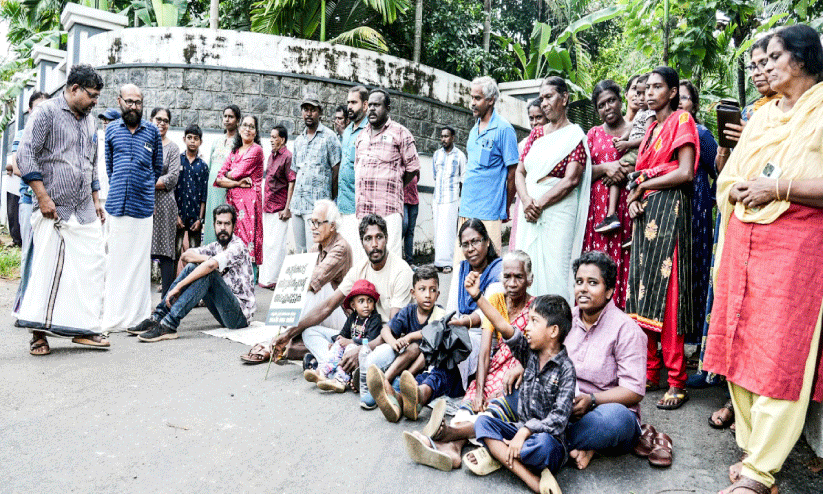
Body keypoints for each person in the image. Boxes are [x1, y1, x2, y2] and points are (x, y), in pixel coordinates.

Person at [703, 25, 823, 494]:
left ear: (803, 59)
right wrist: (739, 187)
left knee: (781, 349)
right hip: (743, 239)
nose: (766, 65)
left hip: (798, 245)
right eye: (764, 58)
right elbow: (729, 176)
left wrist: (776, 188)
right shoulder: (762, 115)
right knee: (740, 341)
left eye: (775, 56)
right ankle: (754, 453)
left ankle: (760, 471)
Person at [691, 35, 781, 426]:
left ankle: (758, 406)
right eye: (755, 66)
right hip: (737, 214)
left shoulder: (796, 113)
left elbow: (784, 163)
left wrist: (754, 140)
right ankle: (730, 391)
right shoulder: (750, 110)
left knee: (764, 316)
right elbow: (724, 168)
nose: (761, 71)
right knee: (731, 302)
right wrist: (730, 149)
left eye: (769, 62)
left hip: (778, 221)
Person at [402, 294, 574, 494]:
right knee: (483, 423)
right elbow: (502, 324)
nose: (526, 327)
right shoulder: (529, 354)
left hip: (546, 440)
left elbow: (559, 419)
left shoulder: (566, 370)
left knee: (543, 447)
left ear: (553, 331)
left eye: (534, 321)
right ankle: (525, 473)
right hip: (518, 432)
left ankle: (501, 455)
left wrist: (525, 431)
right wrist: (477, 296)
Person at [15, 64, 109, 354]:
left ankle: (83, 329)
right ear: (73, 89)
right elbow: (25, 154)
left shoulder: (91, 120)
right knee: (46, 271)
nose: (95, 101)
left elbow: (91, 161)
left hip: (84, 208)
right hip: (52, 208)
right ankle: (38, 334)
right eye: (91, 95)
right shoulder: (46, 113)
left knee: (91, 266)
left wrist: (95, 197)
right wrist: (42, 197)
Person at [625, 66, 699, 411]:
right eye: (647, 87)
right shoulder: (652, 127)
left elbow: (685, 173)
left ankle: (676, 380)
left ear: (672, 92)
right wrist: (633, 198)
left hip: (670, 213)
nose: (649, 92)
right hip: (646, 216)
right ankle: (650, 371)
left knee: (668, 298)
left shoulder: (681, 121)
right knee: (642, 294)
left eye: (658, 87)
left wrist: (644, 184)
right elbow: (636, 177)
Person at [273, 214, 412, 372]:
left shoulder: (401, 271)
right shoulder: (360, 269)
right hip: (359, 333)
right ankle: (339, 366)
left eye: (379, 237)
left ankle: (331, 366)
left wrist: (360, 348)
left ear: (386, 238)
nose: (374, 244)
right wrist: (288, 334)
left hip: (384, 341)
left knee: (383, 353)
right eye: (368, 239)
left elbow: (393, 330)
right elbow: (328, 306)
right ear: (362, 242)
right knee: (310, 332)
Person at [241, 199, 352, 364]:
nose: (312, 227)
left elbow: (312, 281)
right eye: (311, 222)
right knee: (301, 293)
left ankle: (282, 342)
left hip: (341, 313)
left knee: (312, 289)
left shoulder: (340, 247)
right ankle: (285, 342)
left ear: (332, 226)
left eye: (317, 223)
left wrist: (290, 282)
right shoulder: (316, 248)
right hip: (322, 313)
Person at [565, 251, 647, 470]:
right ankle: (582, 446)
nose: (583, 289)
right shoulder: (565, 319)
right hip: (566, 406)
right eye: (579, 282)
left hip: (605, 410)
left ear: (609, 291)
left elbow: (634, 390)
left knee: (615, 420)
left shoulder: (626, 329)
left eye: (592, 283)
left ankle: (548, 442)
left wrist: (592, 400)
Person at [514, 76, 591, 302]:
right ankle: (530, 322)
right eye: (542, 98)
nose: (544, 103)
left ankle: (558, 326)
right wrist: (527, 200)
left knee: (557, 268)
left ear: (565, 98)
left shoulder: (575, 136)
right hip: (529, 211)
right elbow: (520, 171)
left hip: (558, 212)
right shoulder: (537, 134)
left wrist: (539, 203)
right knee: (527, 266)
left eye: (549, 97)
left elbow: (571, 179)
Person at [130, 204, 255, 342]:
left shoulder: (238, 246)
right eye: (219, 223)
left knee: (209, 272)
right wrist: (207, 259)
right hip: (223, 312)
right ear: (214, 225)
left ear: (234, 226)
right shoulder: (215, 247)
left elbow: (211, 266)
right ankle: (157, 318)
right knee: (192, 266)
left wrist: (179, 286)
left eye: (227, 224)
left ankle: (169, 325)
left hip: (239, 317)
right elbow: (186, 256)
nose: (222, 228)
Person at [103, 83, 163, 331]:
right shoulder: (111, 132)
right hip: (116, 205)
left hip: (142, 207)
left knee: (139, 265)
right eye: (129, 101)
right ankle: (115, 316)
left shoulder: (152, 133)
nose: (133, 106)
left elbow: (157, 167)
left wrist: (144, 186)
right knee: (116, 263)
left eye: (138, 102)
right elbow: (109, 167)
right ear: (120, 101)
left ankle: (138, 317)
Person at [456, 250, 535, 419]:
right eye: (507, 276)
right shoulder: (496, 301)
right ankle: (452, 444)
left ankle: (452, 435)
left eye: (519, 277)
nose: (512, 283)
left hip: (517, 374)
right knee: (466, 411)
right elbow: (485, 352)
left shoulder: (536, 308)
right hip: (495, 368)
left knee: (489, 415)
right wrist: (479, 393)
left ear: (529, 279)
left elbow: (534, 352)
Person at [359, 265, 444, 409]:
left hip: (426, 365)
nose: (428, 295)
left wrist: (410, 336)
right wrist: (393, 342)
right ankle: (383, 384)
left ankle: (396, 384)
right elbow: (386, 330)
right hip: (405, 360)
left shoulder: (439, 313)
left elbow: (432, 333)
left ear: (438, 294)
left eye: (432, 290)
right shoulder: (409, 311)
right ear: (413, 293)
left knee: (419, 347)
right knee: (405, 348)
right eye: (422, 289)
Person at [582, 80, 633, 309]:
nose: (608, 107)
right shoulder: (592, 134)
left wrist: (624, 171)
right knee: (598, 263)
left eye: (611, 100)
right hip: (598, 213)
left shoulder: (636, 130)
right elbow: (581, 173)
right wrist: (606, 168)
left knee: (624, 263)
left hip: (625, 207)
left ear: (620, 101)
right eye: (601, 105)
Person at [354, 88, 421, 259]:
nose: (372, 109)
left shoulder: (401, 133)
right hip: (364, 211)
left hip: (389, 210)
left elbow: (413, 167)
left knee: (390, 259)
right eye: (370, 105)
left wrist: (397, 183)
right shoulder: (361, 136)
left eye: (377, 105)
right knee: (364, 259)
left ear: (388, 108)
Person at [678, 80, 718, 345]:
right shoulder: (668, 132)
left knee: (697, 268)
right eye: (677, 98)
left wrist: (711, 199)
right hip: (674, 209)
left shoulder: (702, 134)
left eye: (686, 98)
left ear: (694, 103)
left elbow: (722, 170)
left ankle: (698, 338)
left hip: (697, 210)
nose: (681, 102)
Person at [304, 279, 383, 393]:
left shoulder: (375, 319)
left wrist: (352, 342)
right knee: (338, 343)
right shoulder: (353, 317)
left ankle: (340, 380)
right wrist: (336, 342)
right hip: (349, 347)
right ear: (353, 305)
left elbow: (370, 341)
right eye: (361, 301)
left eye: (369, 301)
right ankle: (323, 372)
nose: (366, 305)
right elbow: (343, 333)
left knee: (350, 348)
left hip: (364, 352)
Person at [290, 93, 342, 253]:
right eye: (305, 109)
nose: (308, 113)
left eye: (312, 110)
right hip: (297, 205)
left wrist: (330, 201)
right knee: (300, 252)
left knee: (316, 251)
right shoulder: (299, 140)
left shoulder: (329, 137)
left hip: (316, 207)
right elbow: (295, 173)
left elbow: (337, 170)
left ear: (319, 112)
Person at [215, 115, 264, 267]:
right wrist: (237, 183)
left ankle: (247, 284)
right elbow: (218, 178)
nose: (247, 129)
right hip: (231, 203)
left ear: (256, 132)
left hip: (248, 205)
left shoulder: (256, 150)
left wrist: (228, 177)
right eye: (245, 125)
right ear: (240, 128)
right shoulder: (235, 151)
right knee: (230, 241)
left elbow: (236, 172)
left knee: (244, 244)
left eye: (251, 126)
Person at [10, 91, 49, 268]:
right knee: (28, 251)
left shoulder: (52, 136)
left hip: (50, 202)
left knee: (46, 253)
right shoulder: (22, 134)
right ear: (30, 110)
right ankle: (24, 295)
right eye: (38, 108)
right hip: (28, 199)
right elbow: (16, 167)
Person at [148, 107, 181, 297]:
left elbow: (172, 178)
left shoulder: (173, 148)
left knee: (166, 252)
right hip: (144, 203)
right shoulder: (144, 143)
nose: (162, 123)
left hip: (165, 205)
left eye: (165, 120)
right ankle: (139, 301)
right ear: (151, 120)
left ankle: (166, 300)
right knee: (142, 251)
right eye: (158, 119)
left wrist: (147, 182)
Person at [259, 125, 295, 289]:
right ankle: (266, 279)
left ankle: (276, 280)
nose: (272, 140)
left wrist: (287, 208)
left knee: (278, 246)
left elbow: (291, 182)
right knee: (267, 244)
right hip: (267, 206)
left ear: (283, 139)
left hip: (280, 208)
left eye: (275, 137)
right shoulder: (271, 156)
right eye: (271, 137)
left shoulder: (287, 156)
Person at [510, 98, 548, 251]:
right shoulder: (523, 143)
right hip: (524, 198)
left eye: (539, 117)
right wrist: (525, 199)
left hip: (545, 197)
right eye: (531, 118)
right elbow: (517, 174)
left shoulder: (554, 141)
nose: (534, 122)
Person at [338, 85, 369, 267]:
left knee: (358, 259)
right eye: (348, 102)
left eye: (354, 102)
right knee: (346, 257)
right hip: (343, 203)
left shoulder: (369, 131)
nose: (349, 106)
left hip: (358, 208)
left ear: (365, 105)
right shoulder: (348, 131)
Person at [431, 126, 466, 273]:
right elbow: (434, 175)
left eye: (446, 136)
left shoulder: (460, 156)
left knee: (449, 231)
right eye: (442, 136)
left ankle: (448, 263)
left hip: (451, 199)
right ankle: (438, 262)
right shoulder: (436, 155)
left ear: (453, 138)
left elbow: (463, 179)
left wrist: (461, 201)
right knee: (438, 230)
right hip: (437, 198)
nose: (443, 139)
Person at [205, 105, 240, 245]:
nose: (227, 119)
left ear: (238, 120)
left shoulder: (239, 142)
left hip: (227, 190)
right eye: (225, 116)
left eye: (231, 116)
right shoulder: (217, 141)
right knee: (211, 221)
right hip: (212, 190)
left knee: (225, 221)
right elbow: (210, 167)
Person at [175, 124, 208, 265]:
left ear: (200, 141)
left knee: (195, 254)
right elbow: (172, 189)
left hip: (195, 217)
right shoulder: (177, 160)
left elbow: (204, 195)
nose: (192, 141)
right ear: (184, 139)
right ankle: (170, 282)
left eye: (196, 138)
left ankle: (192, 284)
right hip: (178, 215)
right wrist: (175, 215)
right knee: (174, 252)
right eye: (189, 138)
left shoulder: (203, 166)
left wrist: (200, 220)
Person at [402, 175, 419, 265]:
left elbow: (417, 178)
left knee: (410, 232)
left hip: (414, 200)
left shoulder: (415, 164)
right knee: (404, 225)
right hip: (402, 200)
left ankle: (409, 262)